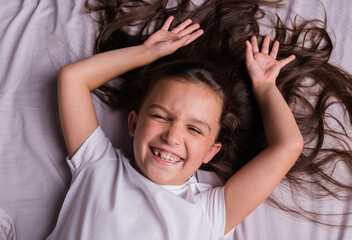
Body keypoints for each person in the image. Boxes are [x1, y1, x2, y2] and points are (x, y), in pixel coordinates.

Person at [47, 16, 302, 239]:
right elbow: (73, 78)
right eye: (161, 116)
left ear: (210, 152)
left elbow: (288, 146)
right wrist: (146, 53)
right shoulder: (98, 165)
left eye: (194, 129)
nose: (172, 136)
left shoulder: (210, 212)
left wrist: (266, 86)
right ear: (134, 123)